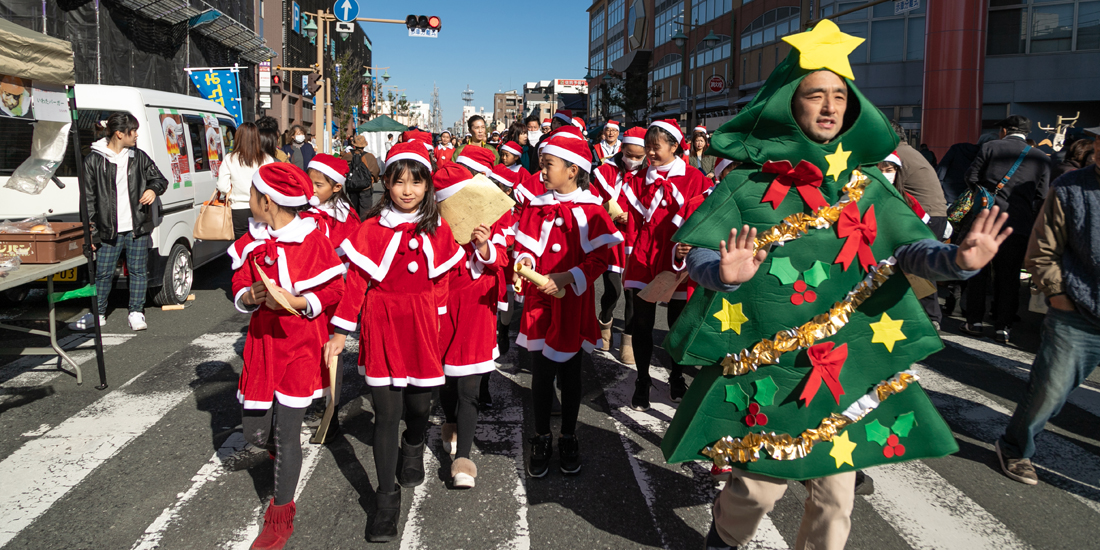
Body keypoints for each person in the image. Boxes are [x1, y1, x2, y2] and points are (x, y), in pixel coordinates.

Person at [658, 21, 1012, 550]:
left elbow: (908, 249)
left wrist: (958, 260)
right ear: (789, 103)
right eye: (814, 95)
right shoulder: (745, 181)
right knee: (758, 490)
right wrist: (718, 272)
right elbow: (705, 249)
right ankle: (723, 541)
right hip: (770, 364)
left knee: (837, 503)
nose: (828, 107)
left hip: (845, 362)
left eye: (839, 96)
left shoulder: (867, 183)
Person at [324, 142, 462, 543]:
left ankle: (414, 442)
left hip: (421, 323)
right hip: (381, 322)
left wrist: (437, 323)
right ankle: (386, 501)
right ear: (385, 183)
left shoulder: (438, 227)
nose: (406, 190)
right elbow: (355, 285)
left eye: (415, 182)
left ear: (427, 186)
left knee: (419, 404)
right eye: (398, 181)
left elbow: (443, 280)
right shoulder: (370, 229)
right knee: (386, 412)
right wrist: (340, 331)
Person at [228, 163, 345, 550]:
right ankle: (277, 448)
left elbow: (332, 289)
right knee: (255, 434)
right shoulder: (252, 239)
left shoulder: (312, 239)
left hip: (299, 344)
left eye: (251, 197)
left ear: (267, 201)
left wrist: (299, 301)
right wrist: (249, 297)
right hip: (262, 344)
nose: (247, 203)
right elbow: (239, 284)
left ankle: (280, 517)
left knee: (287, 432)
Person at [514, 126, 624, 478]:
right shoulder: (536, 205)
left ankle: (568, 435)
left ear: (572, 170)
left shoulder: (592, 210)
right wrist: (526, 265)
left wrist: (569, 278)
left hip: (572, 302)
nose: (541, 171)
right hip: (539, 303)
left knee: (571, 374)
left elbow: (600, 259)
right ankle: (542, 435)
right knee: (542, 374)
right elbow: (525, 246)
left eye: (548, 165)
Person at [995, 126, 1100, 485]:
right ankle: (1015, 447)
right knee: (1048, 392)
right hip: (1078, 311)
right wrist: (1059, 296)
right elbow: (1041, 251)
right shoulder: (1071, 188)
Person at [435, 163, 511, 489]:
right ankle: (450, 423)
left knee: (469, 388)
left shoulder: (486, 226)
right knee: (447, 384)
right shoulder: (431, 229)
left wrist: (483, 246)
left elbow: (501, 261)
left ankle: (462, 459)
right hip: (440, 312)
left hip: (477, 313)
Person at [623, 121, 707, 409]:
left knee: (677, 323)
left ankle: (676, 376)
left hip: (678, 255)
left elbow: (706, 217)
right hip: (644, 255)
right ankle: (642, 378)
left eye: (656, 147)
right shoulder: (636, 179)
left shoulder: (695, 178)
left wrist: (693, 245)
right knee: (642, 320)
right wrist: (630, 250)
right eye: (648, 147)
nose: (650, 153)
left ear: (674, 146)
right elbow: (632, 221)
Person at [69, 112, 168, 332]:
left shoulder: (138, 157)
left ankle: (136, 312)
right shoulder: (94, 159)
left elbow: (160, 179)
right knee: (102, 273)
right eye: (133, 131)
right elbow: (88, 199)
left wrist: (153, 189)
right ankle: (98, 313)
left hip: (137, 227)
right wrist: (91, 233)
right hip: (107, 228)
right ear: (119, 133)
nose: (136, 135)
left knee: (138, 271)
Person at [961, 115, 1051, 343]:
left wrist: (987, 193)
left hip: (986, 219)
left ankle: (975, 321)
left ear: (1004, 130)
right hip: (1018, 224)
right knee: (1008, 276)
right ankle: (1003, 325)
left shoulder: (990, 147)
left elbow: (971, 177)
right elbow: (1042, 196)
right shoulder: (1041, 157)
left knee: (978, 271)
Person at [887, 122, 950, 329]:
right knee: (919, 266)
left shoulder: (897, 156)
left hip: (924, 215)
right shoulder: (910, 152)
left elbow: (891, 190)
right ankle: (926, 315)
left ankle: (930, 316)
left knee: (918, 266)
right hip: (934, 213)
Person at [592, 126, 647, 360]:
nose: (633, 160)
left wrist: (634, 217)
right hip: (612, 237)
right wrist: (611, 212)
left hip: (637, 238)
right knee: (612, 290)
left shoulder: (651, 175)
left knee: (633, 292)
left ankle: (629, 339)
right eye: (629, 155)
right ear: (621, 149)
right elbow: (592, 202)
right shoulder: (605, 171)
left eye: (638, 157)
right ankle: (605, 323)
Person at [216, 123, 275, 240]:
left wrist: (233, 194)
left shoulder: (230, 158)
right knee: (262, 246)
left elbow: (222, 186)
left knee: (241, 248)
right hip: (262, 208)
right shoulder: (267, 159)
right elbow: (272, 184)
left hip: (238, 209)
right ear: (257, 138)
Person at [340, 134, 381, 219]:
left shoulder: (347, 156)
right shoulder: (369, 157)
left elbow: (340, 166)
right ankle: (363, 227)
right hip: (365, 187)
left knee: (353, 208)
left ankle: (354, 225)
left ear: (354, 145)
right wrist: (375, 179)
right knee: (365, 211)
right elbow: (376, 171)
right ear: (364, 145)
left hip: (352, 186)